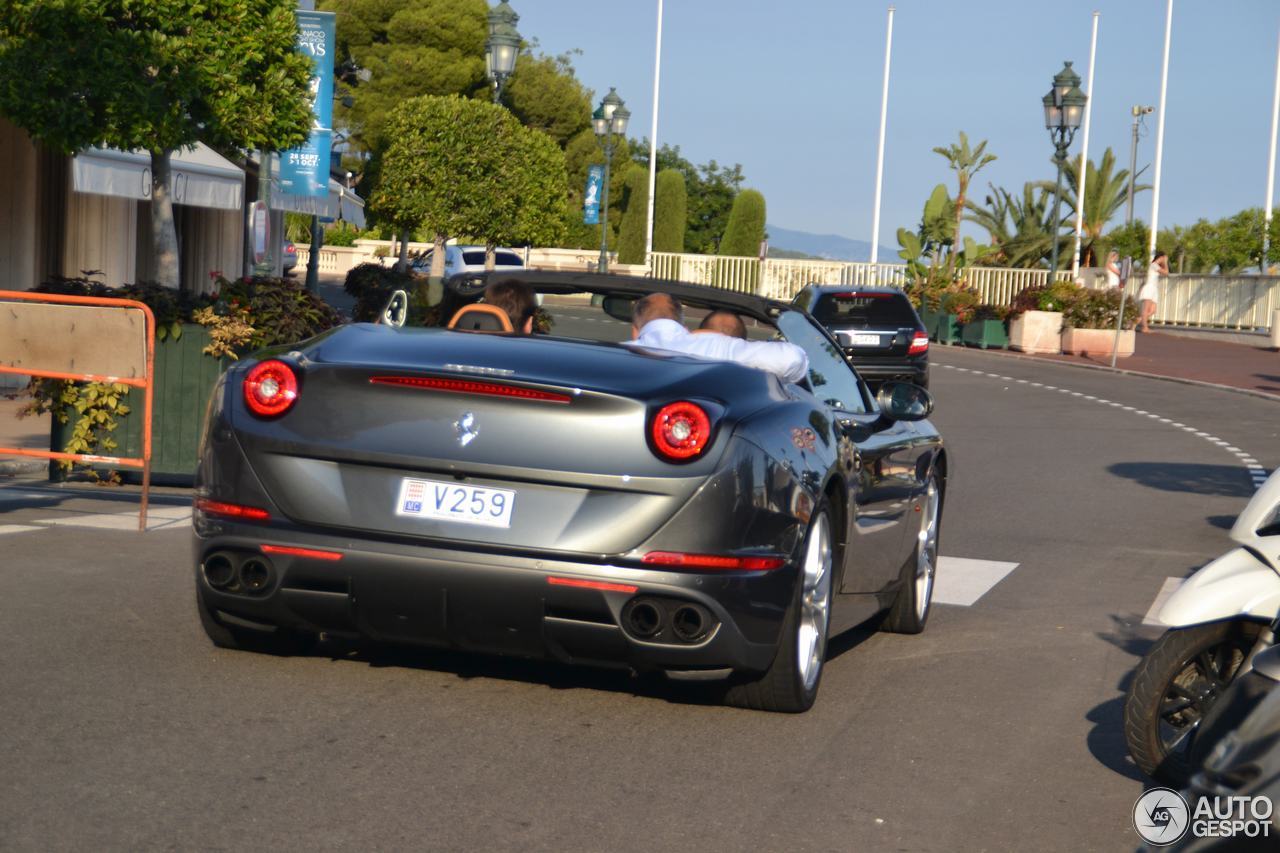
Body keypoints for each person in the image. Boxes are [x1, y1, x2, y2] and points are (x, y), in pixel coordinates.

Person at [627, 293, 809, 383]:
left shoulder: (620, 351)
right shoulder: (718, 348)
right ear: (684, 328)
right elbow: (791, 358)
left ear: (635, 331)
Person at [1137, 251, 1167, 333]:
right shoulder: (1153, 265)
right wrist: (1165, 263)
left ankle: (1137, 320)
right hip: (1149, 288)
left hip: (1154, 289)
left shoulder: (1155, 266)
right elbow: (1166, 272)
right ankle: (1144, 327)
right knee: (1146, 309)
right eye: (1164, 258)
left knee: (1153, 310)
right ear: (1161, 258)